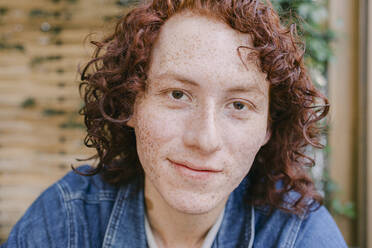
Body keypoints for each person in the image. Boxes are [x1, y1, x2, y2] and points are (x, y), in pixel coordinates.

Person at [2, 0, 347, 247]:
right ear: (130, 103)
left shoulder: (299, 235)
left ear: (268, 126)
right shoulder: (64, 223)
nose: (205, 139)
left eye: (239, 104)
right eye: (178, 95)